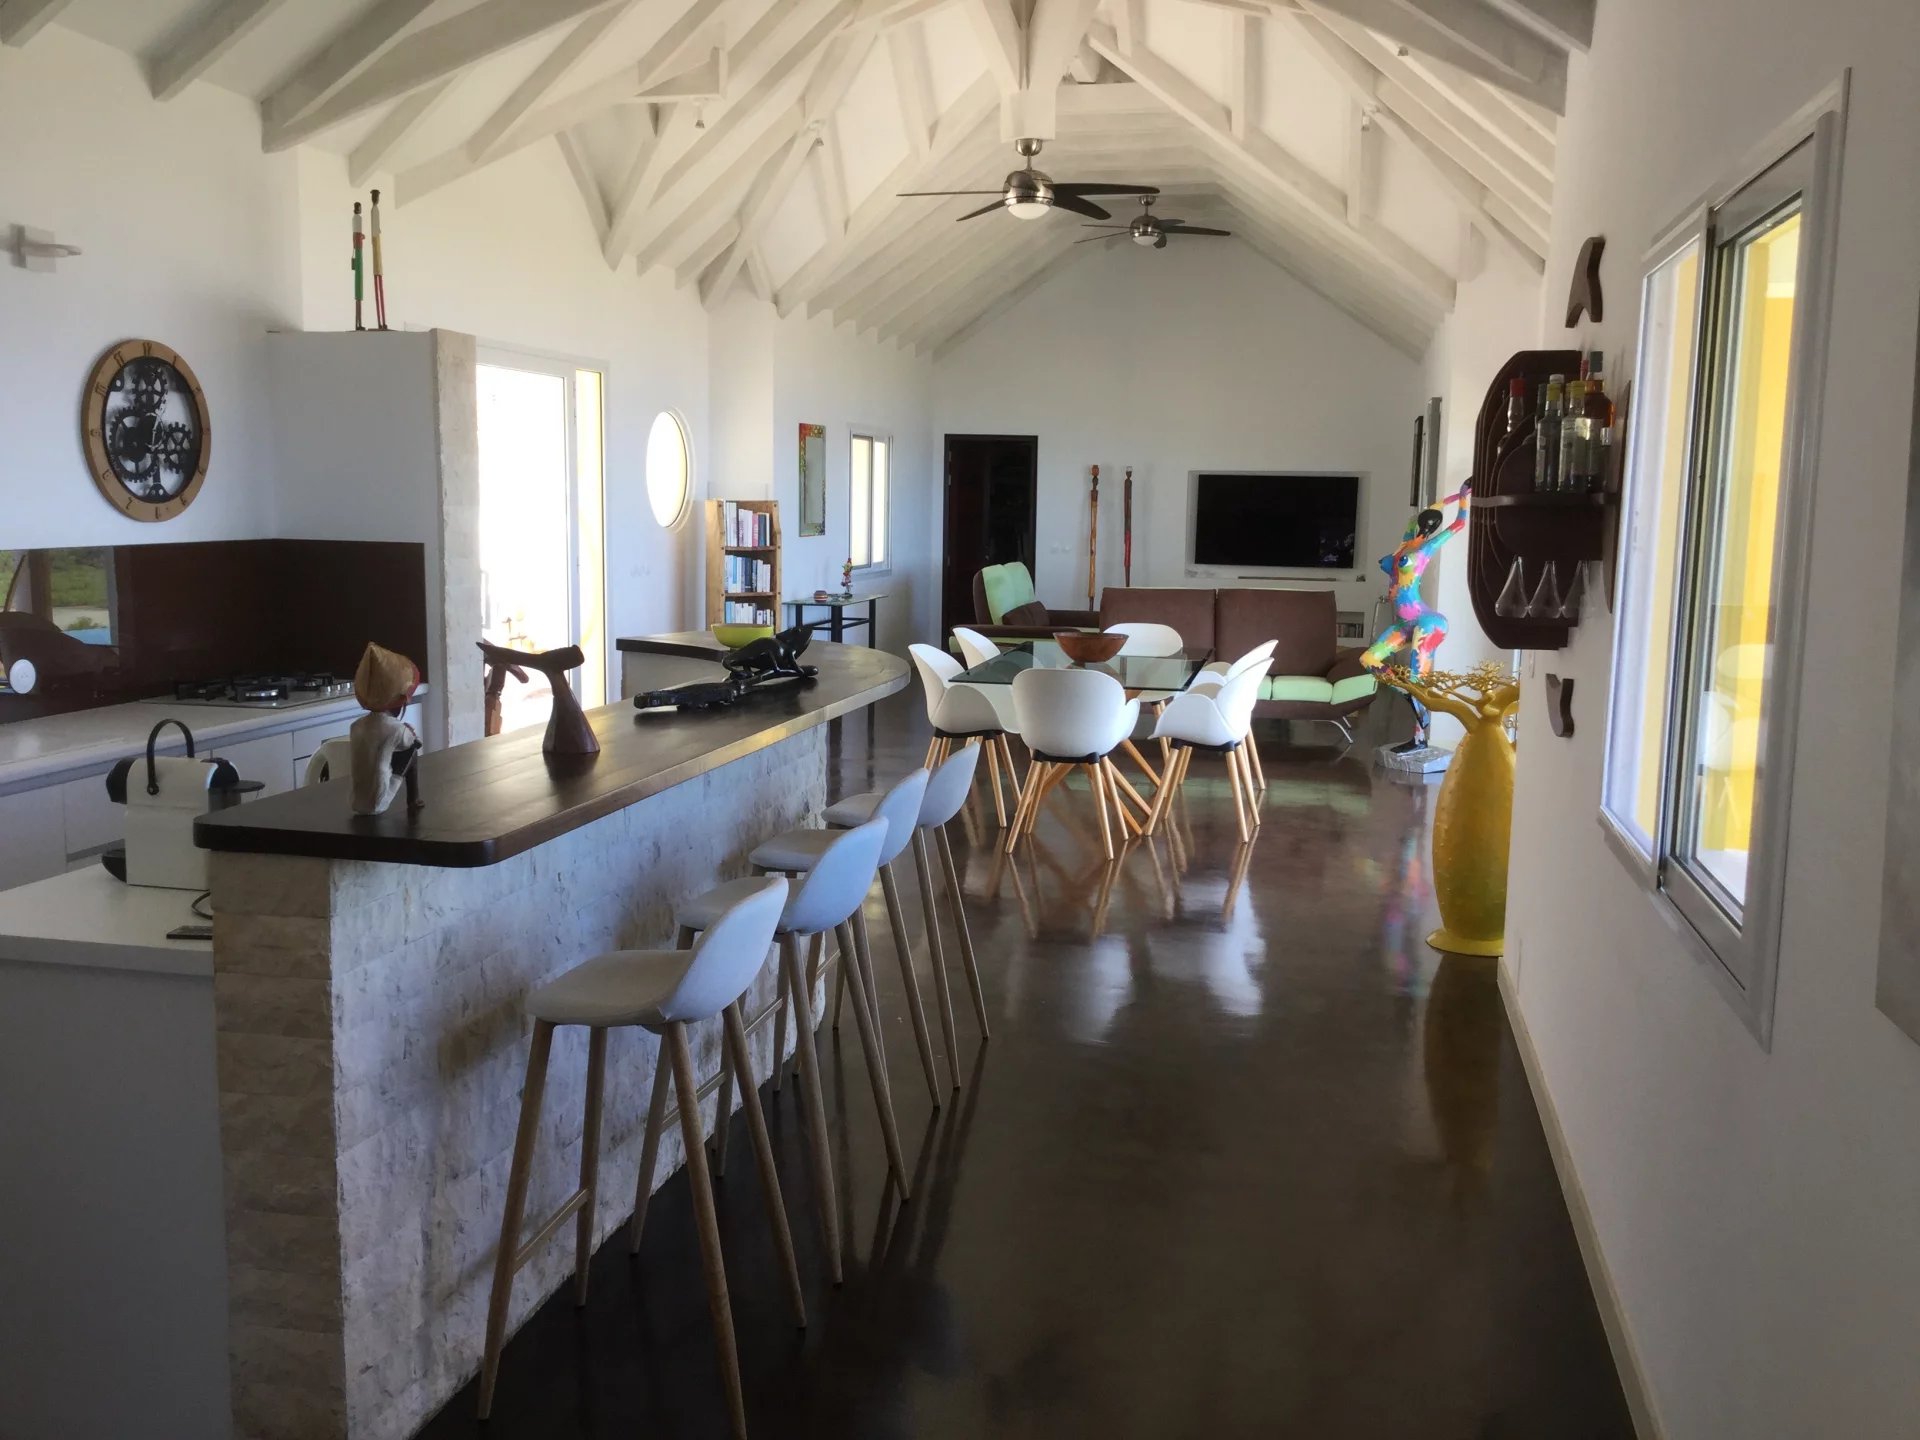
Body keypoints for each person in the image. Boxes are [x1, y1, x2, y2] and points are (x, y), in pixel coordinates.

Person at [1362, 486, 1471, 748]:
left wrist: (1463, 496)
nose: (1426, 523)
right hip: (1404, 623)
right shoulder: (1405, 543)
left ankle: (1419, 738)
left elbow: (1458, 523)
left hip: (1426, 622)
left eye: (1430, 522)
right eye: (1426, 520)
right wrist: (1443, 501)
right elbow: (1415, 519)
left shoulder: (1425, 550)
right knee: (1369, 659)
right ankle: (1408, 694)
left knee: (1417, 678)